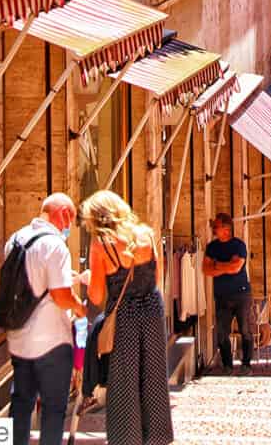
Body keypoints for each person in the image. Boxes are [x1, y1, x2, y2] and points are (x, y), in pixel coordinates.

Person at [81, 190, 174, 445]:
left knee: (124, 380)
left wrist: (89, 279)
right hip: (153, 310)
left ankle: (126, 439)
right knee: (153, 375)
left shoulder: (101, 245)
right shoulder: (145, 234)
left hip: (124, 316)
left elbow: (98, 296)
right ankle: (156, 436)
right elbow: (157, 277)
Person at [5, 193, 86, 445]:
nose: (69, 227)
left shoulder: (15, 239)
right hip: (51, 341)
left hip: (19, 338)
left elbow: (33, 279)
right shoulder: (54, 244)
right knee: (53, 408)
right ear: (62, 214)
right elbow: (60, 295)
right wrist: (79, 308)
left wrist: (74, 277)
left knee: (20, 404)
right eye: (70, 219)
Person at [203, 212, 252, 373]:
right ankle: (227, 365)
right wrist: (226, 266)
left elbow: (236, 267)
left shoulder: (239, 245)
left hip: (241, 294)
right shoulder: (212, 247)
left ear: (226, 228)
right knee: (222, 332)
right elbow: (206, 270)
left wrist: (217, 264)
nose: (213, 229)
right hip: (222, 296)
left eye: (215, 226)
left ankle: (246, 364)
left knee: (245, 329)